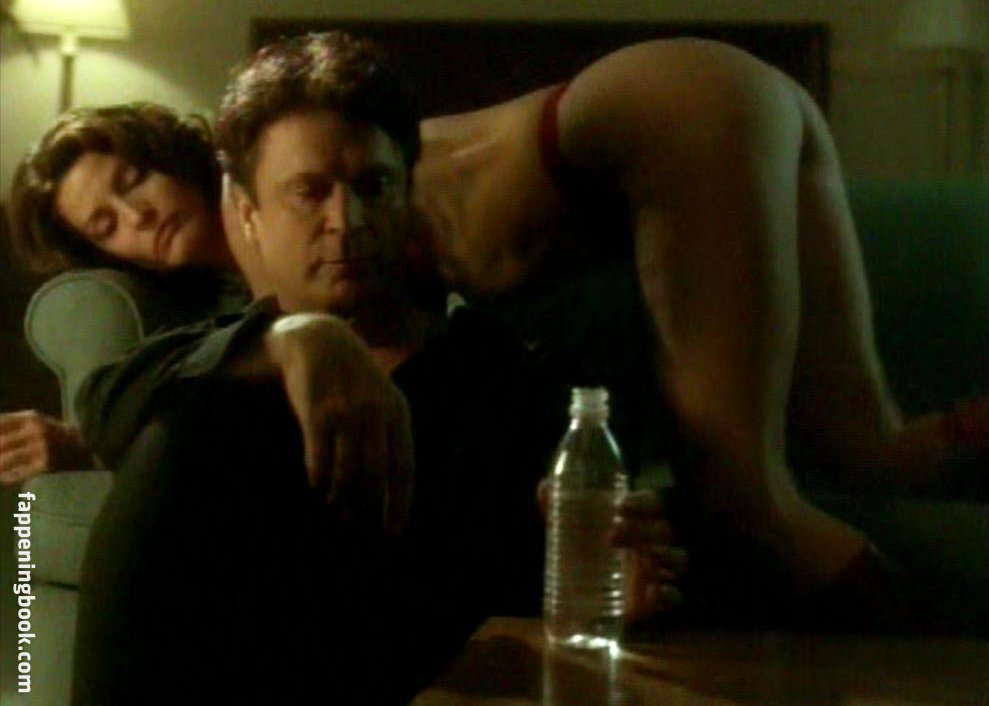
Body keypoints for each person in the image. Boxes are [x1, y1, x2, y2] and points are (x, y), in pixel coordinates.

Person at [67, 33, 677, 706]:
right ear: (247, 213)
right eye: (309, 192)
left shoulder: (501, 376)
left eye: (373, 186)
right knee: (175, 442)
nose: (346, 221)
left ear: (405, 193)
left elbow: (549, 592)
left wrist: (620, 582)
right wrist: (294, 338)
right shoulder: (220, 378)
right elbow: (104, 404)